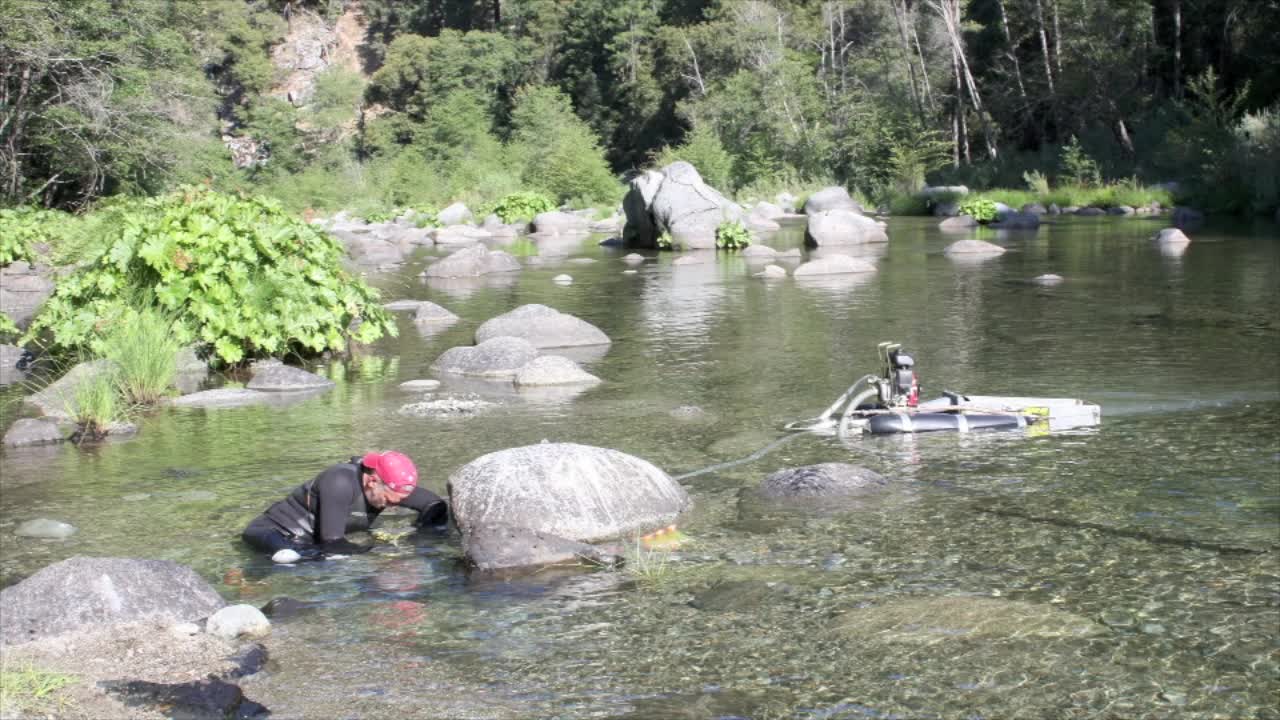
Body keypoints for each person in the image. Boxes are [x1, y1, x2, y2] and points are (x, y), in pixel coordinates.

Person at [242, 451, 447, 563]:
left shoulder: (390, 488)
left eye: (399, 500)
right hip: (273, 533)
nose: (394, 506)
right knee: (292, 558)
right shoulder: (339, 481)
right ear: (372, 481)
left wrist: (420, 540)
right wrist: (381, 551)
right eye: (390, 501)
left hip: (313, 542)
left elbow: (435, 505)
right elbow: (332, 543)